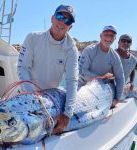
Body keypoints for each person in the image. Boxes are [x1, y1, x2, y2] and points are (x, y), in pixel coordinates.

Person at [17, 5, 78, 134]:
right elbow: (23, 67)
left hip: (50, 102)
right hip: (25, 95)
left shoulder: (72, 50)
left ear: (70, 27)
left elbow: (72, 81)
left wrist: (68, 113)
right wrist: (32, 94)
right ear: (52, 18)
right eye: (60, 17)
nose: (62, 22)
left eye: (67, 21)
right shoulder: (32, 38)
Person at [79, 25, 125, 108]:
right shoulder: (89, 50)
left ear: (115, 38)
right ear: (100, 35)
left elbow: (120, 78)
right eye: (106, 34)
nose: (108, 37)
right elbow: (82, 72)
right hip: (84, 89)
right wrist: (101, 77)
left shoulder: (115, 56)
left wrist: (117, 98)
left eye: (111, 35)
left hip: (103, 93)